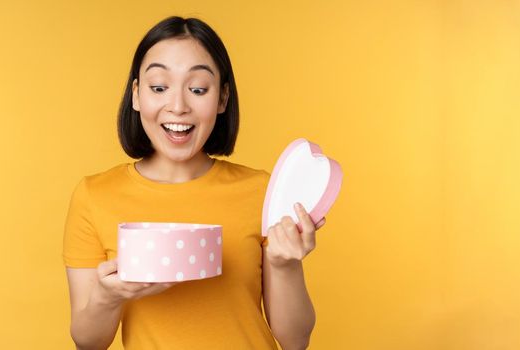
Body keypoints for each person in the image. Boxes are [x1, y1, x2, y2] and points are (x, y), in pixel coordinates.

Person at [63, 16, 326, 350]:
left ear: (222, 99)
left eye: (198, 89)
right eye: (159, 87)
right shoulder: (94, 196)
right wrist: (107, 296)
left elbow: (296, 340)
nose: (178, 106)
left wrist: (284, 263)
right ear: (136, 96)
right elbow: (88, 342)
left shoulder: (262, 191)